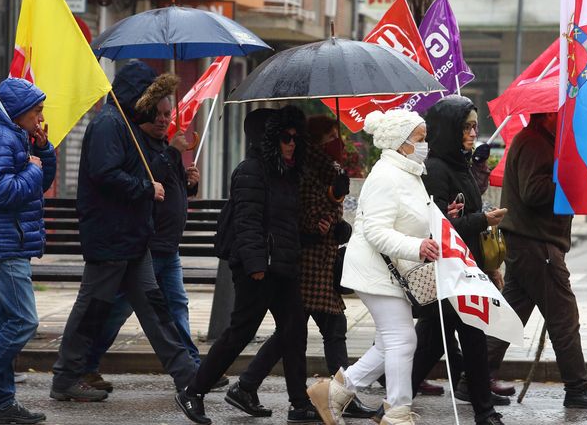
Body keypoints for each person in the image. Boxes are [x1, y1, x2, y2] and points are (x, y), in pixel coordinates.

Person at [51, 61, 196, 402]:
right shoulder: (108, 125)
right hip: (111, 239)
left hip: (132, 239)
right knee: (92, 309)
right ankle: (65, 379)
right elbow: (105, 174)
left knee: (155, 309)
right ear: (136, 96)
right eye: (150, 100)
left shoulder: (126, 125)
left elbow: (139, 168)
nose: (154, 110)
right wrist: (146, 189)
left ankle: (190, 378)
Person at [176, 106, 317, 425]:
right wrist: (256, 265)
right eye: (285, 137)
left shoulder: (288, 172)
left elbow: (285, 222)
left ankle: (299, 403)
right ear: (269, 139)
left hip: (282, 266)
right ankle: (193, 391)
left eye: (296, 137)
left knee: (294, 330)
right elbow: (247, 222)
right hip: (257, 267)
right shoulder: (250, 171)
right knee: (240, 333)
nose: (292, 143)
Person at [307, 109, 439, 425]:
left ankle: (334, 393)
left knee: (389, 341)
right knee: (402, 339)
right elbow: (376, 231)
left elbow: (410, 217)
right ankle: (396, 411)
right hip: (375, 270)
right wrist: (417, 246)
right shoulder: (386, 175)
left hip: (389, 270)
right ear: (401, 142)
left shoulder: (408, 171)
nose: (425, 144)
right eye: (420, 138)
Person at [484, 112, 587, 410]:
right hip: (536, 245)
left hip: (531, 242)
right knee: (564, 317)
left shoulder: (544, 142)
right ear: (547, 114)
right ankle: (577, 387)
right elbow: (535, 192)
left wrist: (585, 175)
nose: (568, 117)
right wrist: (576, 179)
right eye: (562, 112)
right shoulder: (534, 143)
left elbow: (551, 183)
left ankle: (476, 379)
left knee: (511, 314)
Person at [410, 96, 506, 425]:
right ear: (450, 129)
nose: (472, 133)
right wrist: (484, 220)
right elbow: (440, 229)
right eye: (465, 127)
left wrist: (489, 266)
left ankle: (483, 412)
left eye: (475, 126)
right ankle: (484, 412)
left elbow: (466, 219)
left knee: (442, 346)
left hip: (465, 272)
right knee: (452, 345)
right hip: (447, 275)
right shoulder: (435, 169)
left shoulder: (461, 165)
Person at [0, 78, 55, 423]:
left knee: (1, 327)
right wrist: (33, 171)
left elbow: (41, 180)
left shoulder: (17, 137)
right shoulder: (1, 139)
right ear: (19, 112)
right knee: (23, 322)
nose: (40, 117)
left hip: (10, 241)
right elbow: (1, 192)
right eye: (37, 111)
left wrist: (45, 151)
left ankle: (3, 402)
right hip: (5, 244)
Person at [299, 116, 374, 419]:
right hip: (309, 263)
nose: (337, 141)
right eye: (330, 135)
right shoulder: (310, 169)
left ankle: (247, 386)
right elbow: (308, 212)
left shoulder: (330, 169)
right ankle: (341, 396)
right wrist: (331, 207)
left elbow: (329, 217)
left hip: (322, 261)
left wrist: (340, 226)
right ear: (316, 141)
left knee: (324, 328)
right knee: (320, 328)